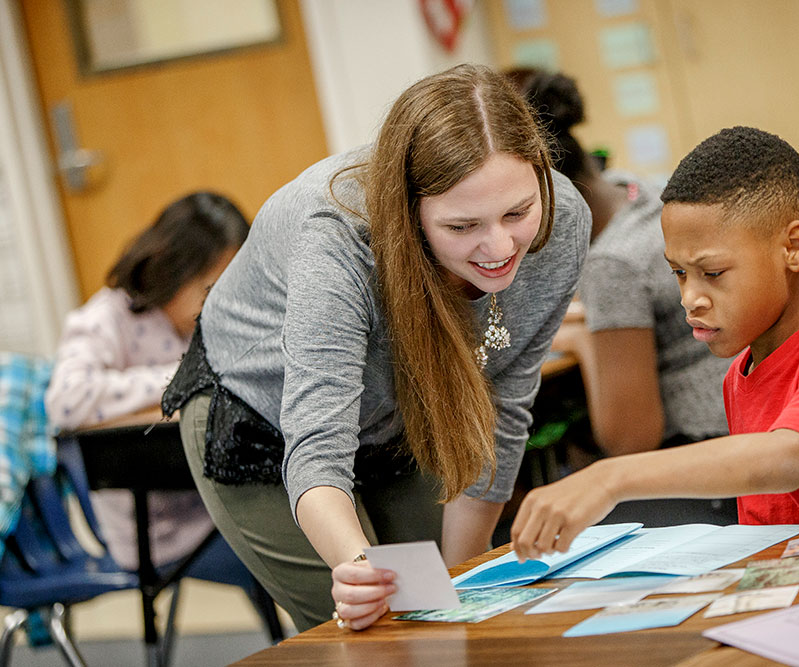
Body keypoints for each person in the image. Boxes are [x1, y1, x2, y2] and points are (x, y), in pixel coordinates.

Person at [161, 64, 591, 632]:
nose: (499, 245)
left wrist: (462, 584)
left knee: (443, 614)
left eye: (517, 212)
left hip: (398, 409)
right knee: (381, 628)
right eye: (462, 227)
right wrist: (357, 569)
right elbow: (316, 444)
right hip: (262, 419)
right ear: (408, 213)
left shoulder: (562, 221)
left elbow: (503, 411)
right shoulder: (336, 239)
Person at [509, 126, 799, 562]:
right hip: (793, 588)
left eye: (712, 273)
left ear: (793, 247)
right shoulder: (742, 371)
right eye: (678, 272)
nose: (689, 298)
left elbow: (789, 457)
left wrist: (609, 478)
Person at [512, 69, 732, 457]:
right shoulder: (640, 189)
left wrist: (584, 341)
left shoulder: (613, 263)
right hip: (755, 426)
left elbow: (629, 441)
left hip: (707, 455)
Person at [45, 191, 249, 572]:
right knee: (271, 553)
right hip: (154, 533)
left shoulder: (207, 323)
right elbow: (66, 400)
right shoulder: (109, 317)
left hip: (217, 505)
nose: (221, 299)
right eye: (211, 285)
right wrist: (181, 380)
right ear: (172, 268)